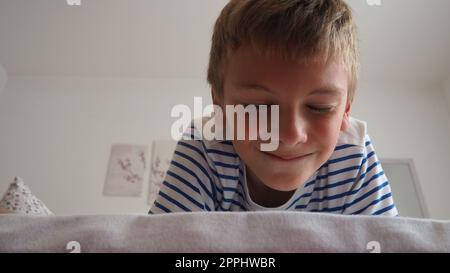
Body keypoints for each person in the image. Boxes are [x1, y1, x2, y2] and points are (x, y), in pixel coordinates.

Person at [149, 0, 398, 216]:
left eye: (319, 107)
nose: (291, 135)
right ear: (220, 107)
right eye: (258, 106)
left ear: (345, 112)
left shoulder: (353, 156)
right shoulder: (204, 144)